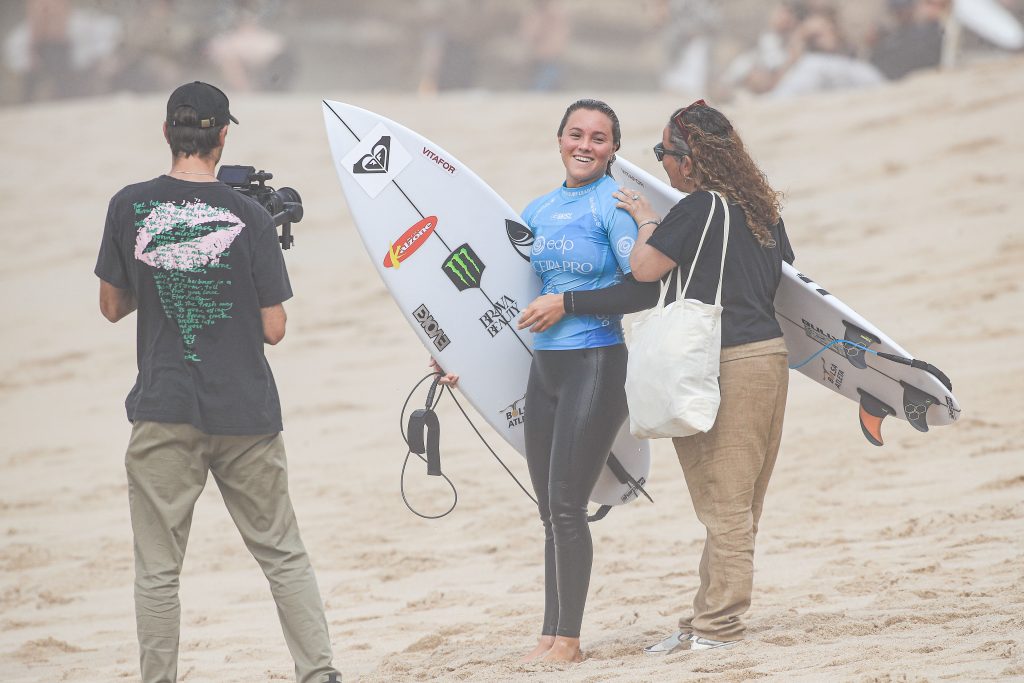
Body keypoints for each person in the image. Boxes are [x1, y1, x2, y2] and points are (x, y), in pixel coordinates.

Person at [94, 81, 340, 683]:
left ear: (166, 134)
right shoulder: (250, 215)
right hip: (245, 411)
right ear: (223, 135)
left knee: (157, 568)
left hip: (163, 405)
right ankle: (319, 673)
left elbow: (110, 305)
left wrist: (164, 275)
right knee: (282, 553)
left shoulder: (129, 205)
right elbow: (275, 328)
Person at [614, 100, 794, 653]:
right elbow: (785, 279)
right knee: (739, 501)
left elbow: (644, 269)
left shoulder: (697, 208)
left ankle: (719, 628)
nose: (663, 164)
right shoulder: (764, 212)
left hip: (724, 360)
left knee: (725, 503)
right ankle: (703, 618)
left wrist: (647, 219)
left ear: (690, 161)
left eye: (664, 153)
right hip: (768, 358)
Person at [513, 99, 659, 663]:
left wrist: (569, 302)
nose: (586, 145)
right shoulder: (538, 210)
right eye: (576, 134)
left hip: (596, 363)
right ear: (559, 140)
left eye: (599, 139)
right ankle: (549, 636)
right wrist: (451, 352)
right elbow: (517, 297)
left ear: (614, 149)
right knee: (549, 507)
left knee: (568, 504)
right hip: (545, 368)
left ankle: (568, 641)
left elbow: (643, 288)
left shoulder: (614, 205)